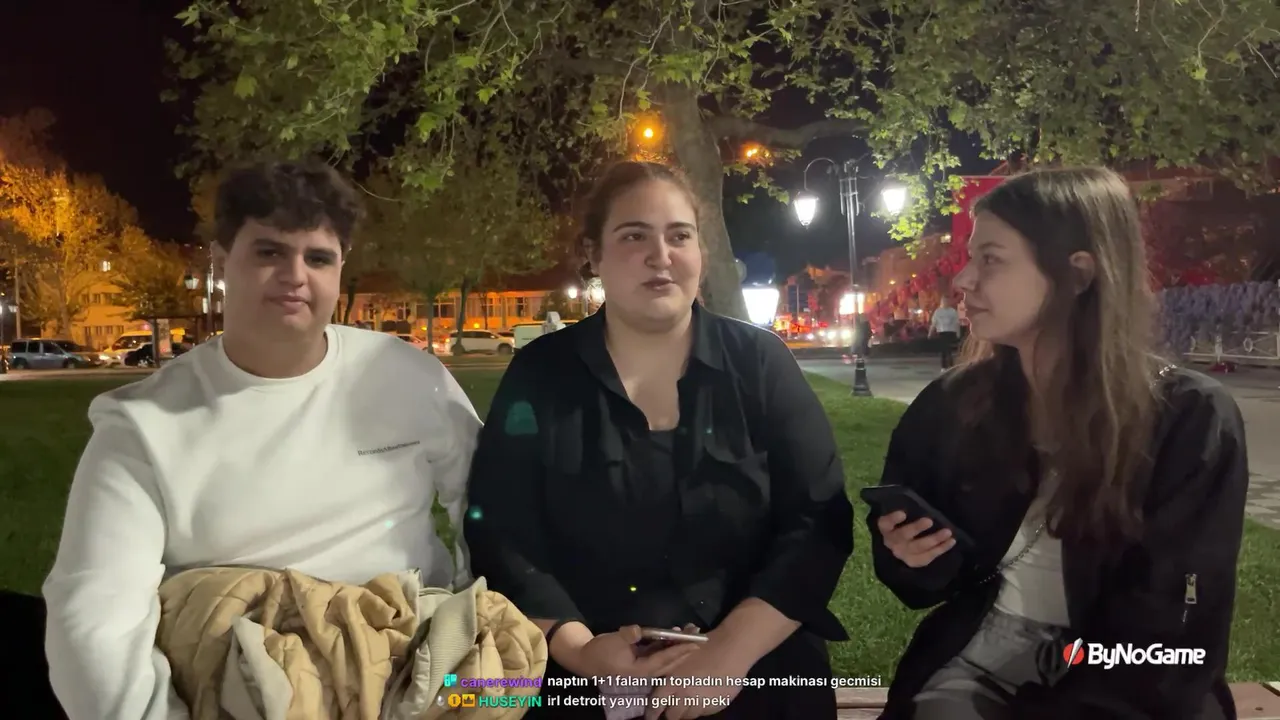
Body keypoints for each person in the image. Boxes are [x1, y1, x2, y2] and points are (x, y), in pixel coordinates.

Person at [32, 160, 480, 719]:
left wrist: (471, 609)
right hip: (245, 687)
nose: (296, 275)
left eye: (318, 258)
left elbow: (489, 497)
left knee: (537, 688)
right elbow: (95, 619)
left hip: (411, 670)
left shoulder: (408, 376)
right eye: (270, 252)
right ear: (222, 263)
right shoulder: (143, 426)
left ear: (341, 266)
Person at [464, 161, 854, 720]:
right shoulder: (540, 375)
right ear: (594, 255)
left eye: (679, 236)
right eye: (633, 236)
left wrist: (727, 655)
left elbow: (819, 522)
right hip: (591, 675)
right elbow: (502, 532)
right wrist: (582, 651)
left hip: (756, 664)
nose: (661, 256)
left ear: (700, 252)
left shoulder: (760, 364)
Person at [867, 167, 1248, 720]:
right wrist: (909, 555)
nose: (964, 280)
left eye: (991, 259)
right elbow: (919, 581)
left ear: (1078, 273)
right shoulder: (955, 404)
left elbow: (1171, 625)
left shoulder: (1189, 418)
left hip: (1128, 668)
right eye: (971, 258)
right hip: (988, 649)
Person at [929, 296, 961, 369]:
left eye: (947, 301)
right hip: (942, 333)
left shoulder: (953, 311)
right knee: (944, 350)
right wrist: (930, 333)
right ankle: (944, 366)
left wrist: (958, 333)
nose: (945, 303)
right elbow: (934, 323)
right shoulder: (938, 312)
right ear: (941, 302)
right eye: (944, 301)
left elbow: (957, 323)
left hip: (951, 332)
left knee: (948, 350)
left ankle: (950, 365)